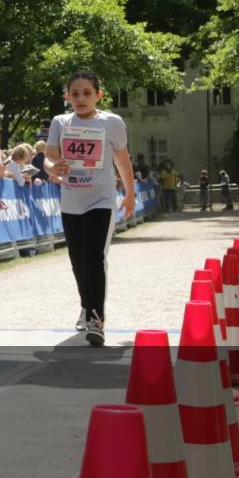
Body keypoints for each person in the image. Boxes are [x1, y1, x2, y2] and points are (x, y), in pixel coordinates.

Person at [45, 71, 136, 346]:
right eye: (75, 94)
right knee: (77, 260)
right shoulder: (60, 122)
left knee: (95, 257)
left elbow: (122, 159)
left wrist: (130, 194)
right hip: (71, 201)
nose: (81, 99)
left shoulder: (112, 123)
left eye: (87, 93)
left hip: (101, 200)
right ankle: (86, 305)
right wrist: (54, 168)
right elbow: (49, 158)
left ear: (98, 95)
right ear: (67, 97)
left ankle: (96, 319)